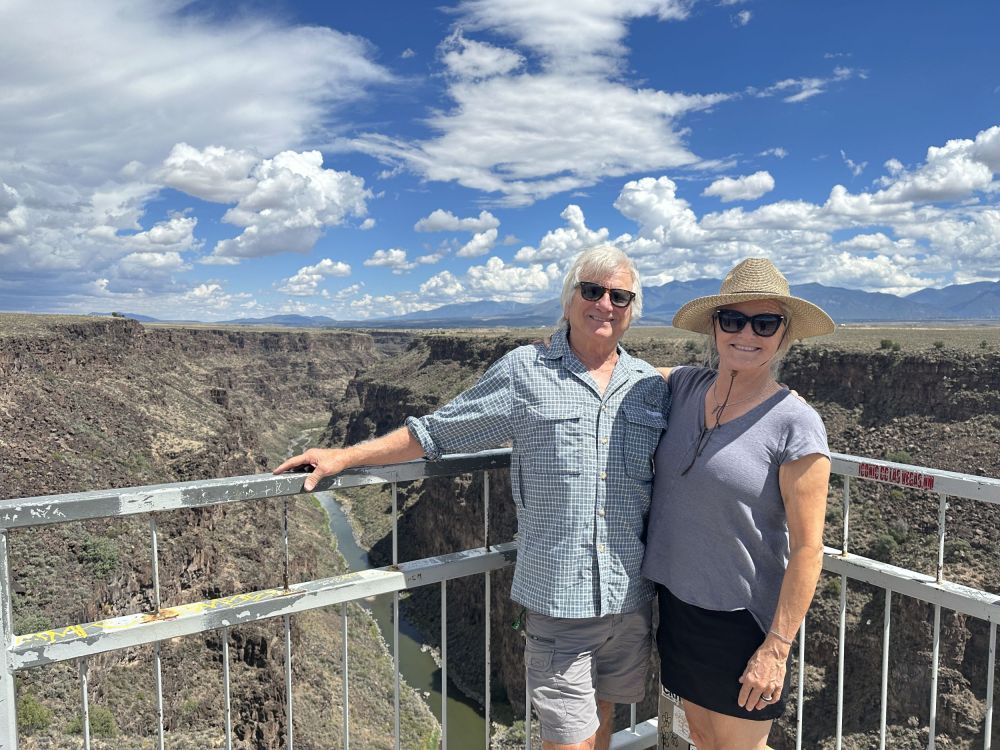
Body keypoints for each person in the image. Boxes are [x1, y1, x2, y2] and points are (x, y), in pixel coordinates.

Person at [274, 245, 670, 750]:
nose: (605, 304)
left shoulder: (647, 385)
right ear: (570, 298)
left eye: (619, 296)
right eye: (592, 291)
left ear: (633, 309)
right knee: (568, 739)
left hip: (630, 599)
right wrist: (345, 456)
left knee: (604, 713)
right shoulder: (526, 370)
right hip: (560, 603)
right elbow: (437, 433)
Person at [641, 257, 833, 750]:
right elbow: (614, 373)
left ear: (784, 335)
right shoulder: (685, 386)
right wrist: (557, 349)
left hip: (741, 620)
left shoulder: (796, 423)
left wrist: (777, 648)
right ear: (714, 326)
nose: (747, 334)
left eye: (765, 323)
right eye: (733, 320)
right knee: (703, 738)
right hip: (678, 605)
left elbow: (808, 548)